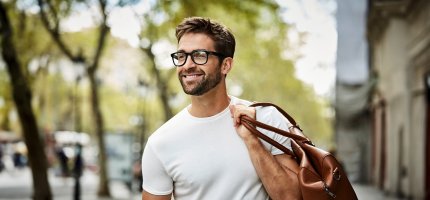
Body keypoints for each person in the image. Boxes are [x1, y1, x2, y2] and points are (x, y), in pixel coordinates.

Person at [141, 17, 301, 200]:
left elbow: (292, 197)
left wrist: (253, 141)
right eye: (181, 56)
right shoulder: (160, 143)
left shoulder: (266, 118)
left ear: (226, 65)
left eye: (200, 55)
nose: (187, 65)